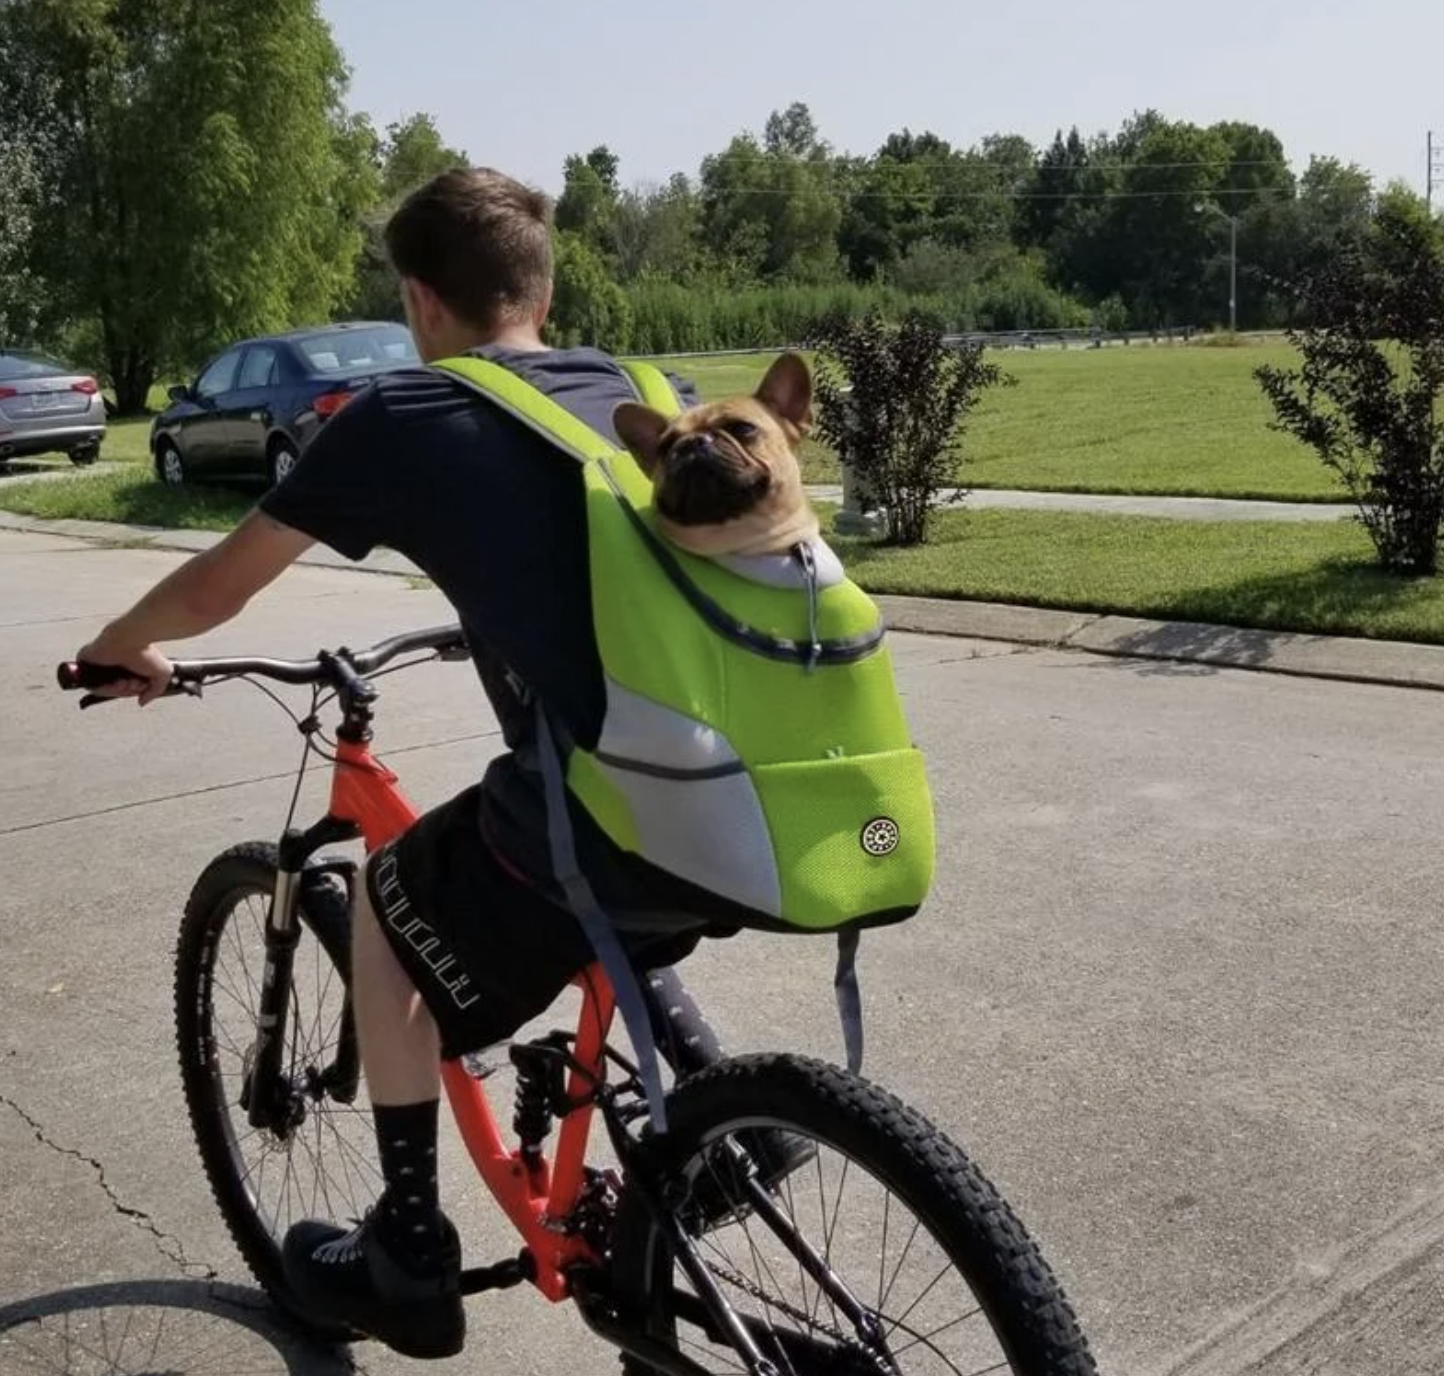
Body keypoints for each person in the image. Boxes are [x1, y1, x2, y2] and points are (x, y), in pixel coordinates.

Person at [73, 167, 743, 1359]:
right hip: (733, 799)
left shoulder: (410, 414)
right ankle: (729, 1114)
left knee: (388, 906)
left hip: (604, 807)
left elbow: (221, 582)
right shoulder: (651, 389)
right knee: (593, 857)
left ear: (421, 299)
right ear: (541, 285)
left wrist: (124, 648)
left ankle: (409, 1251)